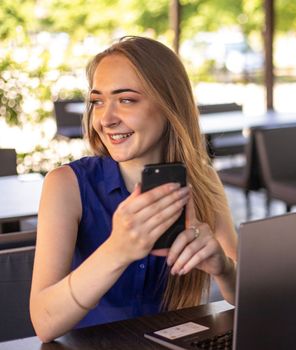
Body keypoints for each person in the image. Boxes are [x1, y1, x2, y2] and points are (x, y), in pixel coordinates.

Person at [29, 36, 238, 343]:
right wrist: (119, 250)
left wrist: (223, 267)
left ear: (169, 105)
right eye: (98, 101)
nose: (106, 119)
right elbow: (44, 324)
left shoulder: (203, 181)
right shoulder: (66, 185)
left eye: (126, 100)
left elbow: (246, 296)